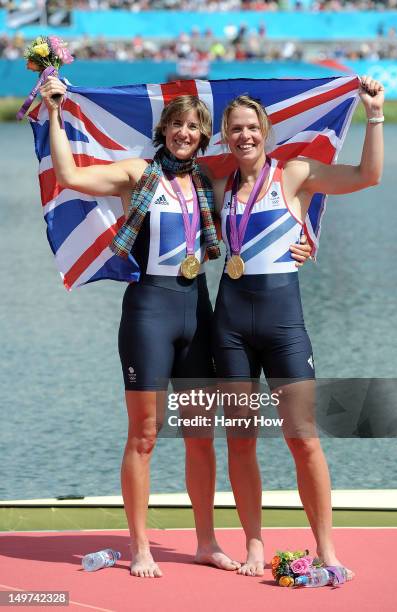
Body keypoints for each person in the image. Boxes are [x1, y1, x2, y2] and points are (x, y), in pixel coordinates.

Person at [39, 78, 311, 578]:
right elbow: (70, 175)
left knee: (200, 434)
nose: (185, 132)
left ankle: (206, 542)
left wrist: (304, 241)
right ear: (163, 129)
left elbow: (272, 197)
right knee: (144, 434)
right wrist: (56, 114)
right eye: (177, 124)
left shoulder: (208, 181)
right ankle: (140, 546)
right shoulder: (135, 174)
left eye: (193, 127)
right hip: (149, 312)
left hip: (198, 312)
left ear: (204, 137)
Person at [210, 76, 384, 578]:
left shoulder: (295, 174)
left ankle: (326, 549)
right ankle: (254, 545)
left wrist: (374, 116)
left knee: (303, 436)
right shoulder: (219, 189)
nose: (244, 136)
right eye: (235, 129)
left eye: (252, 128)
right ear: (225, 136)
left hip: (285, 325)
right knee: (240, 440)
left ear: (266, 131)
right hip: (231, 327)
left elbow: (366, 176)